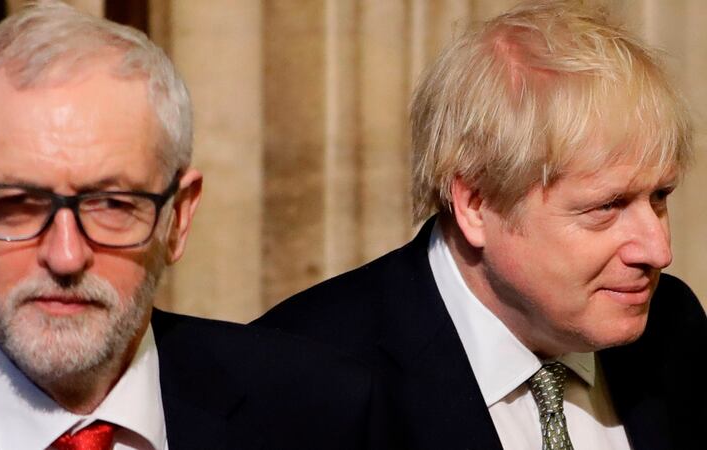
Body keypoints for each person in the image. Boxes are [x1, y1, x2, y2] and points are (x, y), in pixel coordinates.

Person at [0, 2, 379, 449]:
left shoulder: (320, 416)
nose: (66, 255)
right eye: (19, 204)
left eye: (112, 203)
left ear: (178, 217)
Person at [257, 1, 706, 449]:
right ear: (475, 203)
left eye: (660, 197)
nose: (658, 250)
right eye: (607, 206)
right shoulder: (304, 374)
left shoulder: (674, 327)